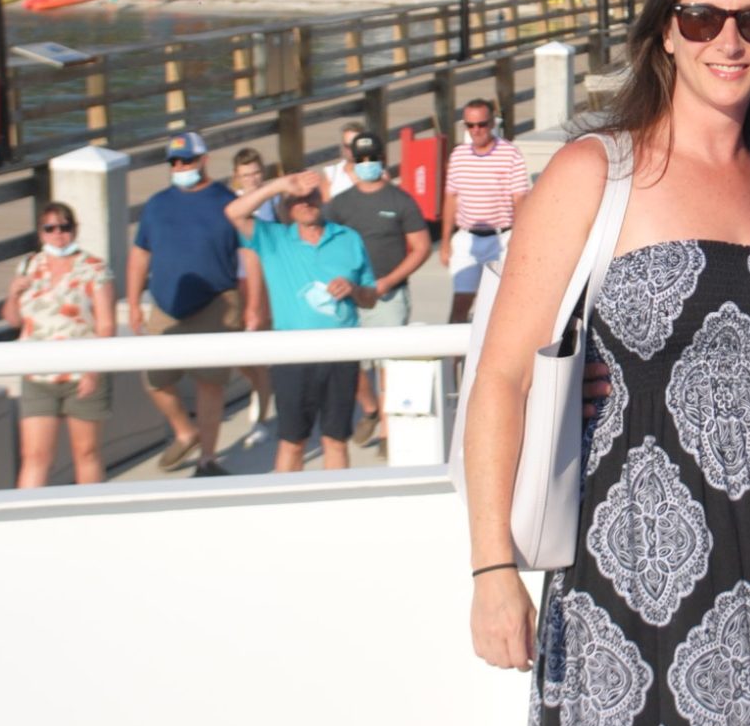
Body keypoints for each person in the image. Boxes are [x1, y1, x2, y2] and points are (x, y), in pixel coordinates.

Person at [467, 0, 750, 726]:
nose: (729, 40)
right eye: (703, 16)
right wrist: (494, 569)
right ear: (666, 34)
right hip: (630, 550)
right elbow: (502, 377)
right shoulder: (595, 170)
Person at [225, 171, 378, 472]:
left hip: (341, 351)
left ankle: (334, 512)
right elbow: (233, 212)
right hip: (293, 354)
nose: (306, 204)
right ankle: (286, 513)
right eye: (298, 200)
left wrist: (354, 289)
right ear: (286, 208)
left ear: (322, 200)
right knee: (293, 441)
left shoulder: (348, 238)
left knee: (336, 440)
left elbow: (371, 297)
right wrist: (280, 185)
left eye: (311, 197)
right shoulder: (273, 239)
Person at [129, 131, 245, 478]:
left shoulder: (227, 201)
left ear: (204, 160)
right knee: (155, 379)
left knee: (210, 384)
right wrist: (134, 301)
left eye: (188, 161)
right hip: (167, 302)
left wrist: (252, 305)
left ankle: (207, 459)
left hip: (217, 301)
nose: (181, 167)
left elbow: (250, 253)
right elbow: (140, 253)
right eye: (175, 162)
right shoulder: (157, 204)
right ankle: (185, 431)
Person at [322, 132, 432, 448]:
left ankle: (386, 431)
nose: (367, 164)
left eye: (373, 158)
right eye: (361, 159)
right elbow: (323, 243)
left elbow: (421, 247)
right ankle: (370, 409)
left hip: (388, 295)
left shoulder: (400, 200)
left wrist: (387, 282)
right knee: (351, 363)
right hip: (349, 296)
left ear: (383, 159)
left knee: (387, 366)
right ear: (353, 164)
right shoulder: (338, 205)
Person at [2, 202, 116, 487]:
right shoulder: (29, 265)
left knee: (86, 452)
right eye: (50, 228)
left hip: (82, 375)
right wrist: (12, 294)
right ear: (41, 233)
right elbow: (13, 321)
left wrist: (94, 371)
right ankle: (25, 521)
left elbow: (106, 325)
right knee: (34, 455)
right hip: (37, 375)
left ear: (74, 230)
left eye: (64, 227)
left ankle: (88, 518)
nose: (58, 234)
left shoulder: (94, 268)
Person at [439, 99, 530, 324]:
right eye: (470, 125)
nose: (476, 130)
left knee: (501, 303)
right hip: (467, 237)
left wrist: (519, 239)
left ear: (492, 123)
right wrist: (444, 242)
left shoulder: (510, 154)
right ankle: (454, 357)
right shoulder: (458, 155)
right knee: (461, 301)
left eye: (481, 124)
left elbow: (520, 199)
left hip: (501, 238)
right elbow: (451, 198)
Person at [229, 147, 278, 439]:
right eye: (246, 174)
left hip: (268, 282)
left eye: (257, 173)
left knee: (257, 351)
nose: (252, 179)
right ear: (237, 176)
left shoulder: (273, 201)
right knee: (237, 354)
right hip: (237, 283)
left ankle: (260, 417)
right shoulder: (231, 203)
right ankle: (263, 388)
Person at [321, 122, 364, 200]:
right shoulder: (330, 174)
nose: (352, 149)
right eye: (348, 146)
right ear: (342, 146)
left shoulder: (377, 173)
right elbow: (325, 208)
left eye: (356, 145)